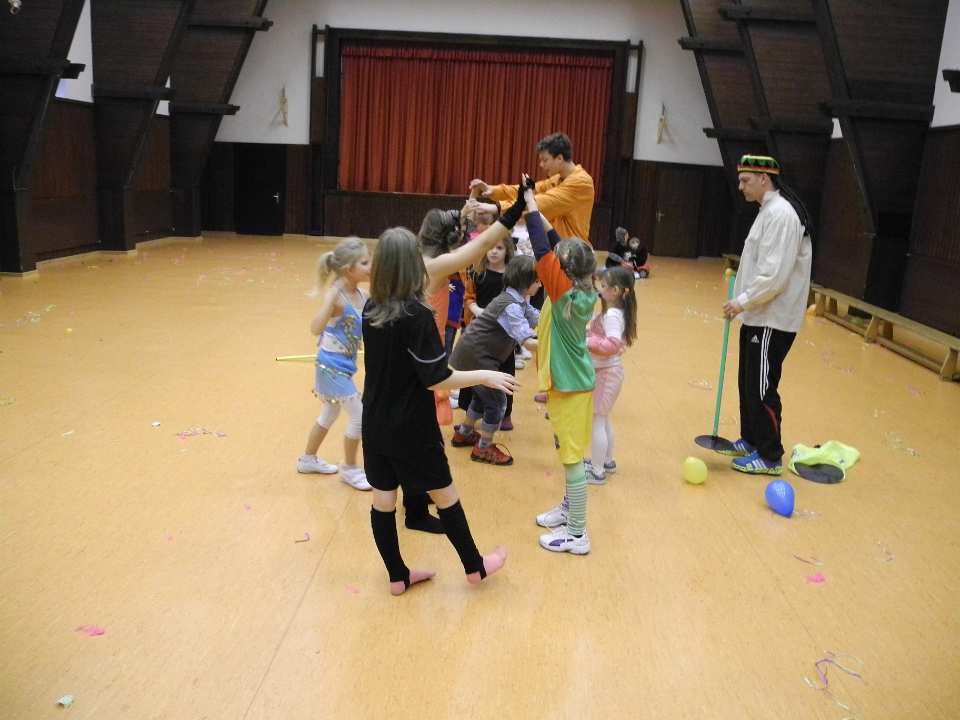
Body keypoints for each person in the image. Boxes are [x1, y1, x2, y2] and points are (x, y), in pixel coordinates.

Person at [362, 220, 524, 595]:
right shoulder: (416, 315)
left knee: (383, 500)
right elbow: (437, 379)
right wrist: (485, 375)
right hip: (411, 426)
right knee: (445, 495)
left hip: (375, 420)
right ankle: (475, 567)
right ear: (412, 266)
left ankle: (397, 576)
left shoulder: (371, 307)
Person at [471, 133, 596, 405]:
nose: (541, 165)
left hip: (572, 266)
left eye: (545, 160)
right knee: (551, 325)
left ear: (560, 158)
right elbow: (534, 190)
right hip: (560, 258)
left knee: (566, 331)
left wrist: (495, 208)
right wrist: (494, 190)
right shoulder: (561, 178)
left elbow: (540, 204)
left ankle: (567, 386)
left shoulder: (580, 182)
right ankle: (554, 383)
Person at [721, 154, 813, 475]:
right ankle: (751, 440)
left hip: (772, 318)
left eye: (745, 180)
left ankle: (770, 455)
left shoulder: (782, 215)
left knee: (762, 387)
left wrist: (742, 300)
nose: (740, 186)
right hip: (757, 315)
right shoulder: (767, 212)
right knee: (748, 382)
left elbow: (775, 276)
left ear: (764, 178)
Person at [522, 180, 597, 555]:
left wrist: (530, 202)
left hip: (571, 390)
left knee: (572, 459)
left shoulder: (563, 293)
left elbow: (541, 248)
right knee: (568, 452)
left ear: (562, 271)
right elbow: (553, 245)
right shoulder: (579, 288)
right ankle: (569, 509)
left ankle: (578, 534)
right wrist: (537, 208)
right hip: (568, 386)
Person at [296, 238, 372, 491]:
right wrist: (329, 299)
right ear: (349, 269)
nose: (370, 267)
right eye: (365, 263)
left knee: (329, 413)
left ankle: (307, 459)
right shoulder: (337, 298)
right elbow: (314, 328)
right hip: (330, 367)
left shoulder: (362, 296)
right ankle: (349, 468)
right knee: (359, 415)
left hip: (344, 367)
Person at [450, 255, 540, 465]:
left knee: (483, 397)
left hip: (475, 353)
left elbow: (539, 318)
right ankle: (483, 448)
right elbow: (528, 342)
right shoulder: (511, 306)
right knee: (497, 401)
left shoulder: (517, 300)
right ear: (525, 283)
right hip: (476, 355)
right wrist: (558, 346)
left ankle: (464, 433)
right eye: (537, 281)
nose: (540, 284)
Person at [583, 266, 637, 485]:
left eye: (604, 286)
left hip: (606, 375)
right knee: (603, 419)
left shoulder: (613, 315)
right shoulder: (618, 310)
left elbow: (612, 344)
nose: (600, 289)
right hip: (609, 373)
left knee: (598, 420)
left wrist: (587, 341)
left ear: (615, 291)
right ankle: (606, 461)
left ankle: (597, 471)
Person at [458, 235, 515, 428]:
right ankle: (470, 415)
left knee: (505, 372)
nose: (494, 251)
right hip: (480, 332)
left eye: (499, 248)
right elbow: (468, 298)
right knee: (474, 371)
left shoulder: (511, 278)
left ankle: (505, 415)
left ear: (507, 250)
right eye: (491, 247)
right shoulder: (477, 273)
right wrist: (478, 311)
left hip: (503, 336)